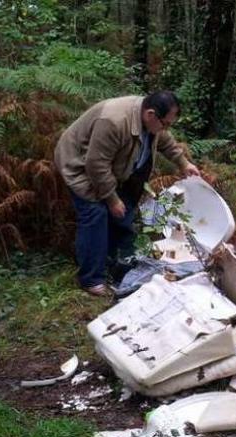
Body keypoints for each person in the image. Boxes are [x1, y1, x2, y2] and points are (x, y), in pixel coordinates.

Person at [55, 91, 200, 296]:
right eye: (165, 124)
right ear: (151, 114)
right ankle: (90, 278)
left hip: (117, 168)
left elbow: (165, 139)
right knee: (96, 215)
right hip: (79, 165)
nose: (166, 128)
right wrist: (112, 199)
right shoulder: (114, 122)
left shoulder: (150, 120)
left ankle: (116, 264)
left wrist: (183, 163)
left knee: (123, 216)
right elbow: (96, 165)